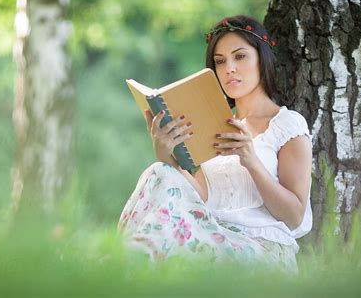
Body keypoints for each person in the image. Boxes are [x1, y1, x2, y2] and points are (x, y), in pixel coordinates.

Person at [117, 15, 313, 273]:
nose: (229, 68)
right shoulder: (212, 125)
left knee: (163, 250)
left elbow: (294, 216)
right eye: (220, 62)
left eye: (240, 56)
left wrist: (250, 160)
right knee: (158, 171)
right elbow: (201, 197)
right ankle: (125, 267)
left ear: (261, 59)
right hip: (211, 233)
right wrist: (164, 153)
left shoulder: (286, 124)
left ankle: (125, 268)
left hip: (263, 249)